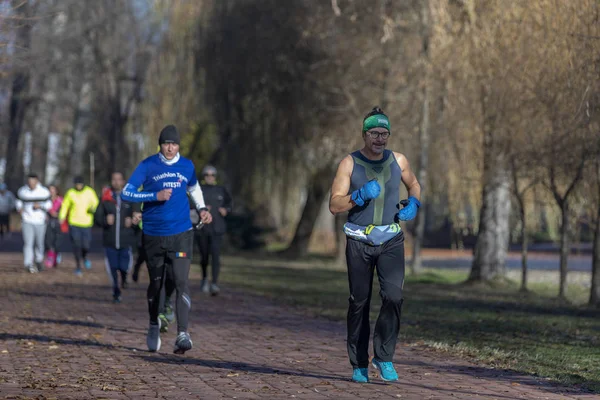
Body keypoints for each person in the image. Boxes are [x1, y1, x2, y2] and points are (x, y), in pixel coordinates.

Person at [328, 106, 421, 383]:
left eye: (384, 133)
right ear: (364, 134)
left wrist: (414, 202)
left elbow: (414, 183)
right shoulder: (349, 163)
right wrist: (357, 195)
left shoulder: (399, 160)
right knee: (359, 302)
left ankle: (383, 356)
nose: (380, 139)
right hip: (359, 241)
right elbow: (334, 205)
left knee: (394, 297)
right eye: (374, 133)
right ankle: (359, 364)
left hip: (391, 238)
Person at [122, 124, 212, 354]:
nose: (170, 148)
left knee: (181, 280)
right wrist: (154, 196)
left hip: (181, 232)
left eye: (173, 144)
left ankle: (183, 333)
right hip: (153, 233)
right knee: (156, 283)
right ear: (160, 145)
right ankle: (154, 324)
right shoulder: (148, 165)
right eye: (165, 144)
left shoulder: (187, 165)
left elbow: (194, 188)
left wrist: (201, 208)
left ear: (178, 145)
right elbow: (127, 192)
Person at [95, 172, 137, 303]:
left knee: (124, 266)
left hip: (126, 240)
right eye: (114, 180)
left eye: (119, 179)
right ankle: (116, 291)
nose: (117, 182)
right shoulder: (105, 198)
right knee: (112, 268)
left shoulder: (131, 197)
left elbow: (139, 216)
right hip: (110, 240)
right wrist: (105, 220)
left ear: (123, 181)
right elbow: (96, 218)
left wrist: (133, 221)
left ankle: (124, 278)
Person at [195, 165, 232, 296]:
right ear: (204, 177)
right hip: (203, 229)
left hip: (217, 229)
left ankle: (215, 283)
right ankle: (204, 278)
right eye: (207, 175)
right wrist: (201, 210)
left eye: (212, 175)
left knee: (216, 256)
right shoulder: (199, 190)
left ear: (215, 177)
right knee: (204, 256)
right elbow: (192, 206)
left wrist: (226, 210)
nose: (210, 177)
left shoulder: (221, 190)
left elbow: (229, 204)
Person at [59, 176, 99, 276]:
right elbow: (65, 205)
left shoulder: (90, 192)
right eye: (77, 184)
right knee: (76, 245)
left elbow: (96, 203)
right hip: (74, 223)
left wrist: (92, 208)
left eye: (80, 184)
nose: (78, 186)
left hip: (86, 223)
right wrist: (62, 216)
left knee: (86, 245)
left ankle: (85, 257)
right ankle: (78, 266)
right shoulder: (71, 193)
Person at [15, 174, 52, 273]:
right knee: (28, 243)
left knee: (39, 243)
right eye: (29, 181)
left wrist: (40, 206)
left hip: (40, 221)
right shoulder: (22, 191)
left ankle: (39, 260)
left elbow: (49, 205)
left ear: (37, 181)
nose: (31, 183)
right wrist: (20, 209)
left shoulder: (44, 192)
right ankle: (28, 264)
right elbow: (18, 202)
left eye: (33, 181)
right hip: (27, 220)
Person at [44, 184, 63, 268]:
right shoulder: (46, 201)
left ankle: (56, 256)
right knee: (48, 241)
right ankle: (50, 257)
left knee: (57, 242)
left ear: (56, 191)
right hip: (48, 223)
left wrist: (58, 215)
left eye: (53, 190)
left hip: (58, 223)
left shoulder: (61, 200)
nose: (51, 192)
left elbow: (65, 211)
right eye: (50, 190)